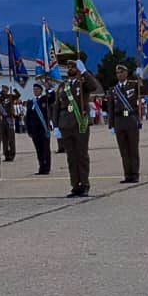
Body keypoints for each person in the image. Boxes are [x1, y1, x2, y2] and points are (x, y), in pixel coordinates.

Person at [51, 52, 101, 198]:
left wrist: (85, 72)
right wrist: (55, 126)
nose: (70, 69)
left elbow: (94, 86)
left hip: (80, 124)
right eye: (68, 67)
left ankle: (85, 184)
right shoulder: (62, 86)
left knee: (82, 156)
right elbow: (57, 106)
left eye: (73, 67)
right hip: (65, 124)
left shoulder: (83, 83)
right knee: (71, 157)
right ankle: (75, 185)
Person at [106, 64, 142, 183]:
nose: (119, 74)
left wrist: (140, 77)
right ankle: (127, 174)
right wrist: (111, 125)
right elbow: (110, 108)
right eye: (117, 73)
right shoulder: (113, 90)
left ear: (126, 73)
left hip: (130, 119)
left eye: (122, 72)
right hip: (119, 121)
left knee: (133, 149)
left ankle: (135, 174)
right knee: (124, 150)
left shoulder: (133, 85)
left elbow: (145, 90)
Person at [25, 82, 54, 176]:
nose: (35, 91)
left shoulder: (44, 99)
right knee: (38, 150)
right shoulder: (30, 102)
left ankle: (46, 167)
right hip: (34, 130)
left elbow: (52, 98)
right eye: (34, 90)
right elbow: (28, 118)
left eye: (37, 89)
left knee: (45, 149)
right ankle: (41, 167)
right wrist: (28, 130)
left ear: (41, 90)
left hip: (43, 129)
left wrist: (49, 88)